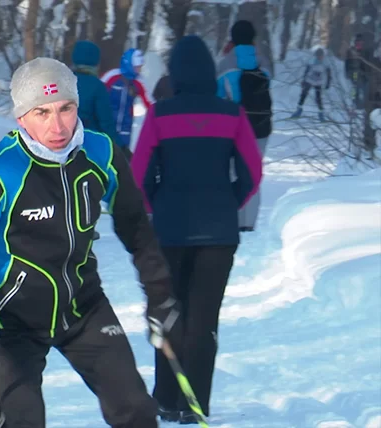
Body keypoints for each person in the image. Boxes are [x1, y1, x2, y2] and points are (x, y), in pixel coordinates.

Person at [0, 57, 180, 428]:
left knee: (137, 411)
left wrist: (160, 295)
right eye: (41, 112)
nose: (57, 125)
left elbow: (137, 232)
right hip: (12, 318)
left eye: (66, 108)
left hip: (83, 307)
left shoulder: (103, 154)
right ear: (21, 118)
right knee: (24, 421)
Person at [132, 35, 263, 424]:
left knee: (169, 313)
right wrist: (229, 201)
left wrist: (158, 204)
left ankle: (167, 399)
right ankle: (196, 405)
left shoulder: (160, 115)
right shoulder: (232, 114)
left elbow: (139, 175)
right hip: (219, 233)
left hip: (170, 230)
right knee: (204, 320)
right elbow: (252, 173)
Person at [216, 19, 272, 232]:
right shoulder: (264, 62)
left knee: (232, 172)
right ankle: (250, 222)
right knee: (254, 172)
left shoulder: (226, 64)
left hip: (235, 128)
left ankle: (236, 219)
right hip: (261, 126)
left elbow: (218, 97)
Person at [102, 48, 152, 160]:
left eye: (140, 67)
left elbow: (150, 104)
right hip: (108, 126)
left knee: (122, 160)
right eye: (136, 67)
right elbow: (97, 93)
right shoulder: (112, 76)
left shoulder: (138, 81)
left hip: (125, 128)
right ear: (128, 64)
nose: (139, 70)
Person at [70, 40, 121, 146]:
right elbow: (106, 123)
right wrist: (119, 147)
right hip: (89, 144)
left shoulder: (61, 82)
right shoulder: (97, 87)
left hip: (61, 143)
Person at [290, 48, 331, 121]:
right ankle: (298, 110)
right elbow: (306, 70)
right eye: (318, 56)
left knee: (318, 98)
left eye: (321, 56)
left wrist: (328, 83)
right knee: (303, 95)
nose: (320, 58)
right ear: (316, 56)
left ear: (323, 56)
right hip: (309, 80)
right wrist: (303, 80)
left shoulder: (326, 62)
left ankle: (321, 114)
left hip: (318, 82)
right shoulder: (312, 60)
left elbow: (329, 73)